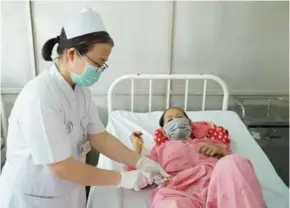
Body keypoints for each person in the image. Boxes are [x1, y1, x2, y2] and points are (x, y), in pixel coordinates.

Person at [0, 8, 169, 208]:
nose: (99, 70)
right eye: (97, 63)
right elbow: (61, 167)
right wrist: (123, 178)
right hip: (33, 198)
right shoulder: (39, 98)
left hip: (68, 192)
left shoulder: (80, 90)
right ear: (72, 54)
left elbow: (100, 137)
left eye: (103, 65)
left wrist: (141, 161)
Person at [125, 107, 267, 208]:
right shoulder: (159, 149)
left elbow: (235, 171)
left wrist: (220, 151)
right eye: (170, 120)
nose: (176, 121)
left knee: (235, 161)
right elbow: (134, 172)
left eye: (180, 117)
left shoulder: (211, 142)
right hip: (179, 191)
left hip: (216, 186)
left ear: (190, 124)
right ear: (163, 131)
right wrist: (137, 145)